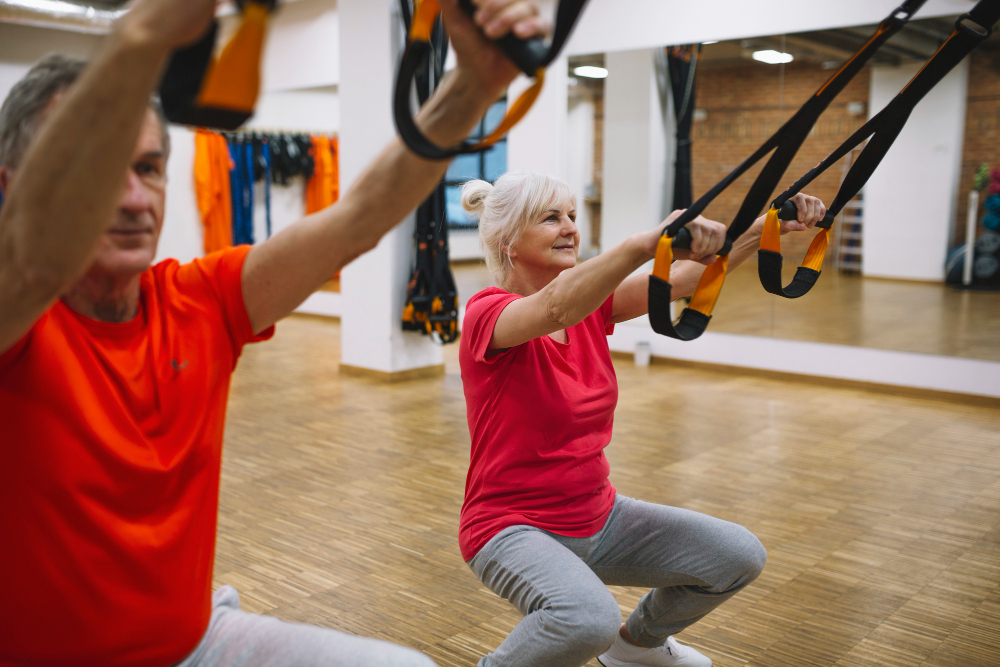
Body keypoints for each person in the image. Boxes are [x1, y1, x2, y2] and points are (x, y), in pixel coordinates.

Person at [0, 0, 549, 664]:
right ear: (12, 187)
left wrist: (473, 86)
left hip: (197, 638)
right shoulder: (16, 318)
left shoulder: (197, 301)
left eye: (146, 167)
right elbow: (33, 256)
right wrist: (142, 39)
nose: (134, 198)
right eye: (98, 166)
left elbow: (360, 217)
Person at [457, 171, 828, 667]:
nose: (569, 227)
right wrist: (643, 243)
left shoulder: (590, 305)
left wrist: (772, 224)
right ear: (507, 241)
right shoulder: (488, 315)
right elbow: (553, 308)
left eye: (571, 215)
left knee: (737, 557)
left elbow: (688, 278)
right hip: (509, 528)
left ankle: (635, 649)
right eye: (551, 218)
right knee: (585, 619)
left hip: (599, 516)